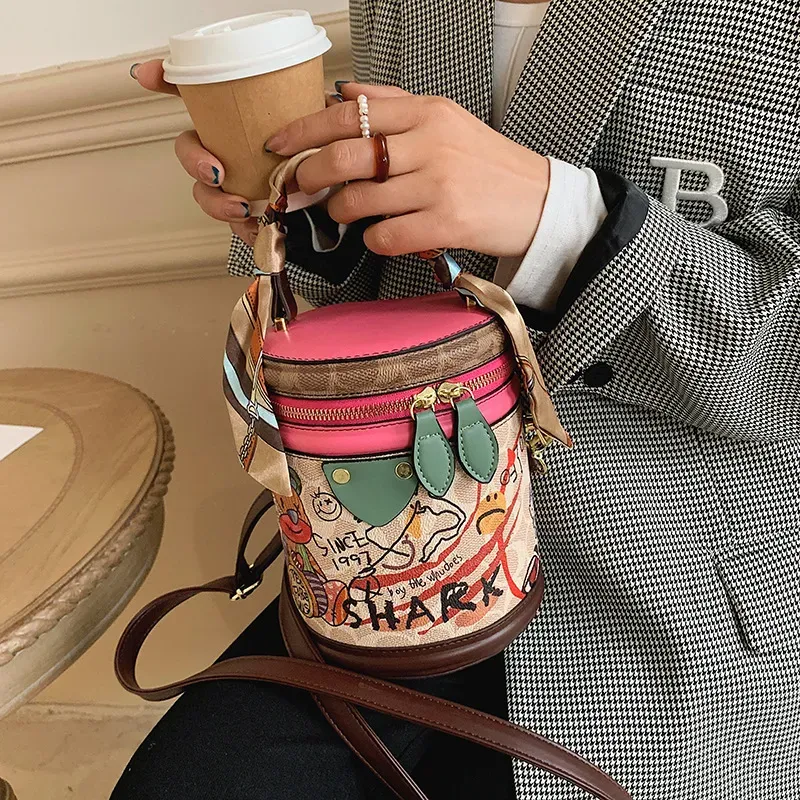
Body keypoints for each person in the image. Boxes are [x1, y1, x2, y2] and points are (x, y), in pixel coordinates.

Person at [114, 0, 800, 797]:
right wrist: (305, 216)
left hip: (679, 582)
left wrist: (564, 223)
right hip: (397, 541)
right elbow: (393, 294)